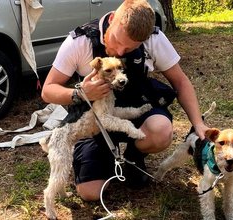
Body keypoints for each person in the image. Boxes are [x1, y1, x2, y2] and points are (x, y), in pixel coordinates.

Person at [41, 0, 209, 201]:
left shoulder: (154, 39)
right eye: (117, 41)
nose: (120, 52)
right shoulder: (80, 41)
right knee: (91, 193)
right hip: (95, 124)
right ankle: (105, 157)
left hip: (135, 110)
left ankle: (133, 158)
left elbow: (181, 82)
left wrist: (198, 123)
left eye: (129, 48)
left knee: (161, 130)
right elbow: (48, 90)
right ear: (112, 20)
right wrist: (81, 93)